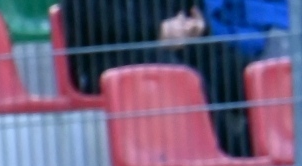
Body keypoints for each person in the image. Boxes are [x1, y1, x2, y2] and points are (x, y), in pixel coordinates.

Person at [61, 0, 282, 155]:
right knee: (181, 76)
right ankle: (237, 149)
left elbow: (187, 9)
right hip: (112, 60)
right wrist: (155, 33)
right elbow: (97, 21)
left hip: (174, 48)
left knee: (234, 67)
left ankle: (276, 140)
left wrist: (194, 26)